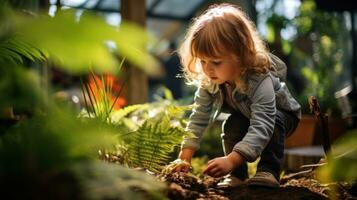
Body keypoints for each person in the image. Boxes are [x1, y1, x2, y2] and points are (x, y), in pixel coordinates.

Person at [172, 3, 301, 188]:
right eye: (203, 60)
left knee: (274, 122)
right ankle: (237, 176)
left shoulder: (259, 79)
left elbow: (263, 123)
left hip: (281, 116)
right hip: (248, 116)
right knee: (232, 123)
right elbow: (199, 117)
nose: (208, 69)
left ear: (240, 54)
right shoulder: (211, 81)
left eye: (216, 61)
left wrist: (231, 159)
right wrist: (184, 157)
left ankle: (268, 171)